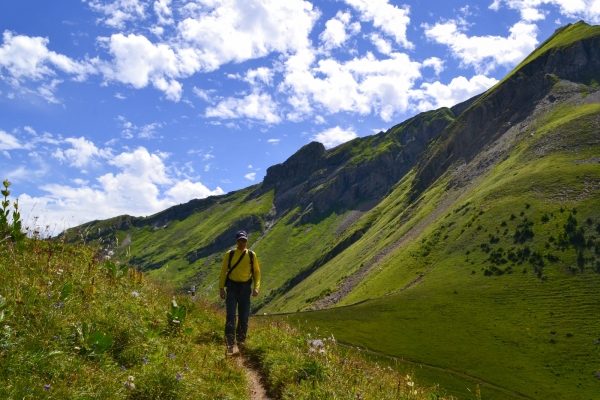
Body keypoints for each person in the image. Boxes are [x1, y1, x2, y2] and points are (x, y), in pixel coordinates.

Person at [219, 230, 261, 355]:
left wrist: (256, 287)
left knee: (244, 316)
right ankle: (229, 343)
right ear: (236, 241)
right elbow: (223, 271)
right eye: (240, 240)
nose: (242, 243)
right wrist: (221, 288)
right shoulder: (230, 254)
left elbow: (257, 272)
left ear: (247, 241)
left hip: (245, 288)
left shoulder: (251, 255)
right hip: (231, 287)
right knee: (231, 315)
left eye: (244, 240)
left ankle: (241, 343)